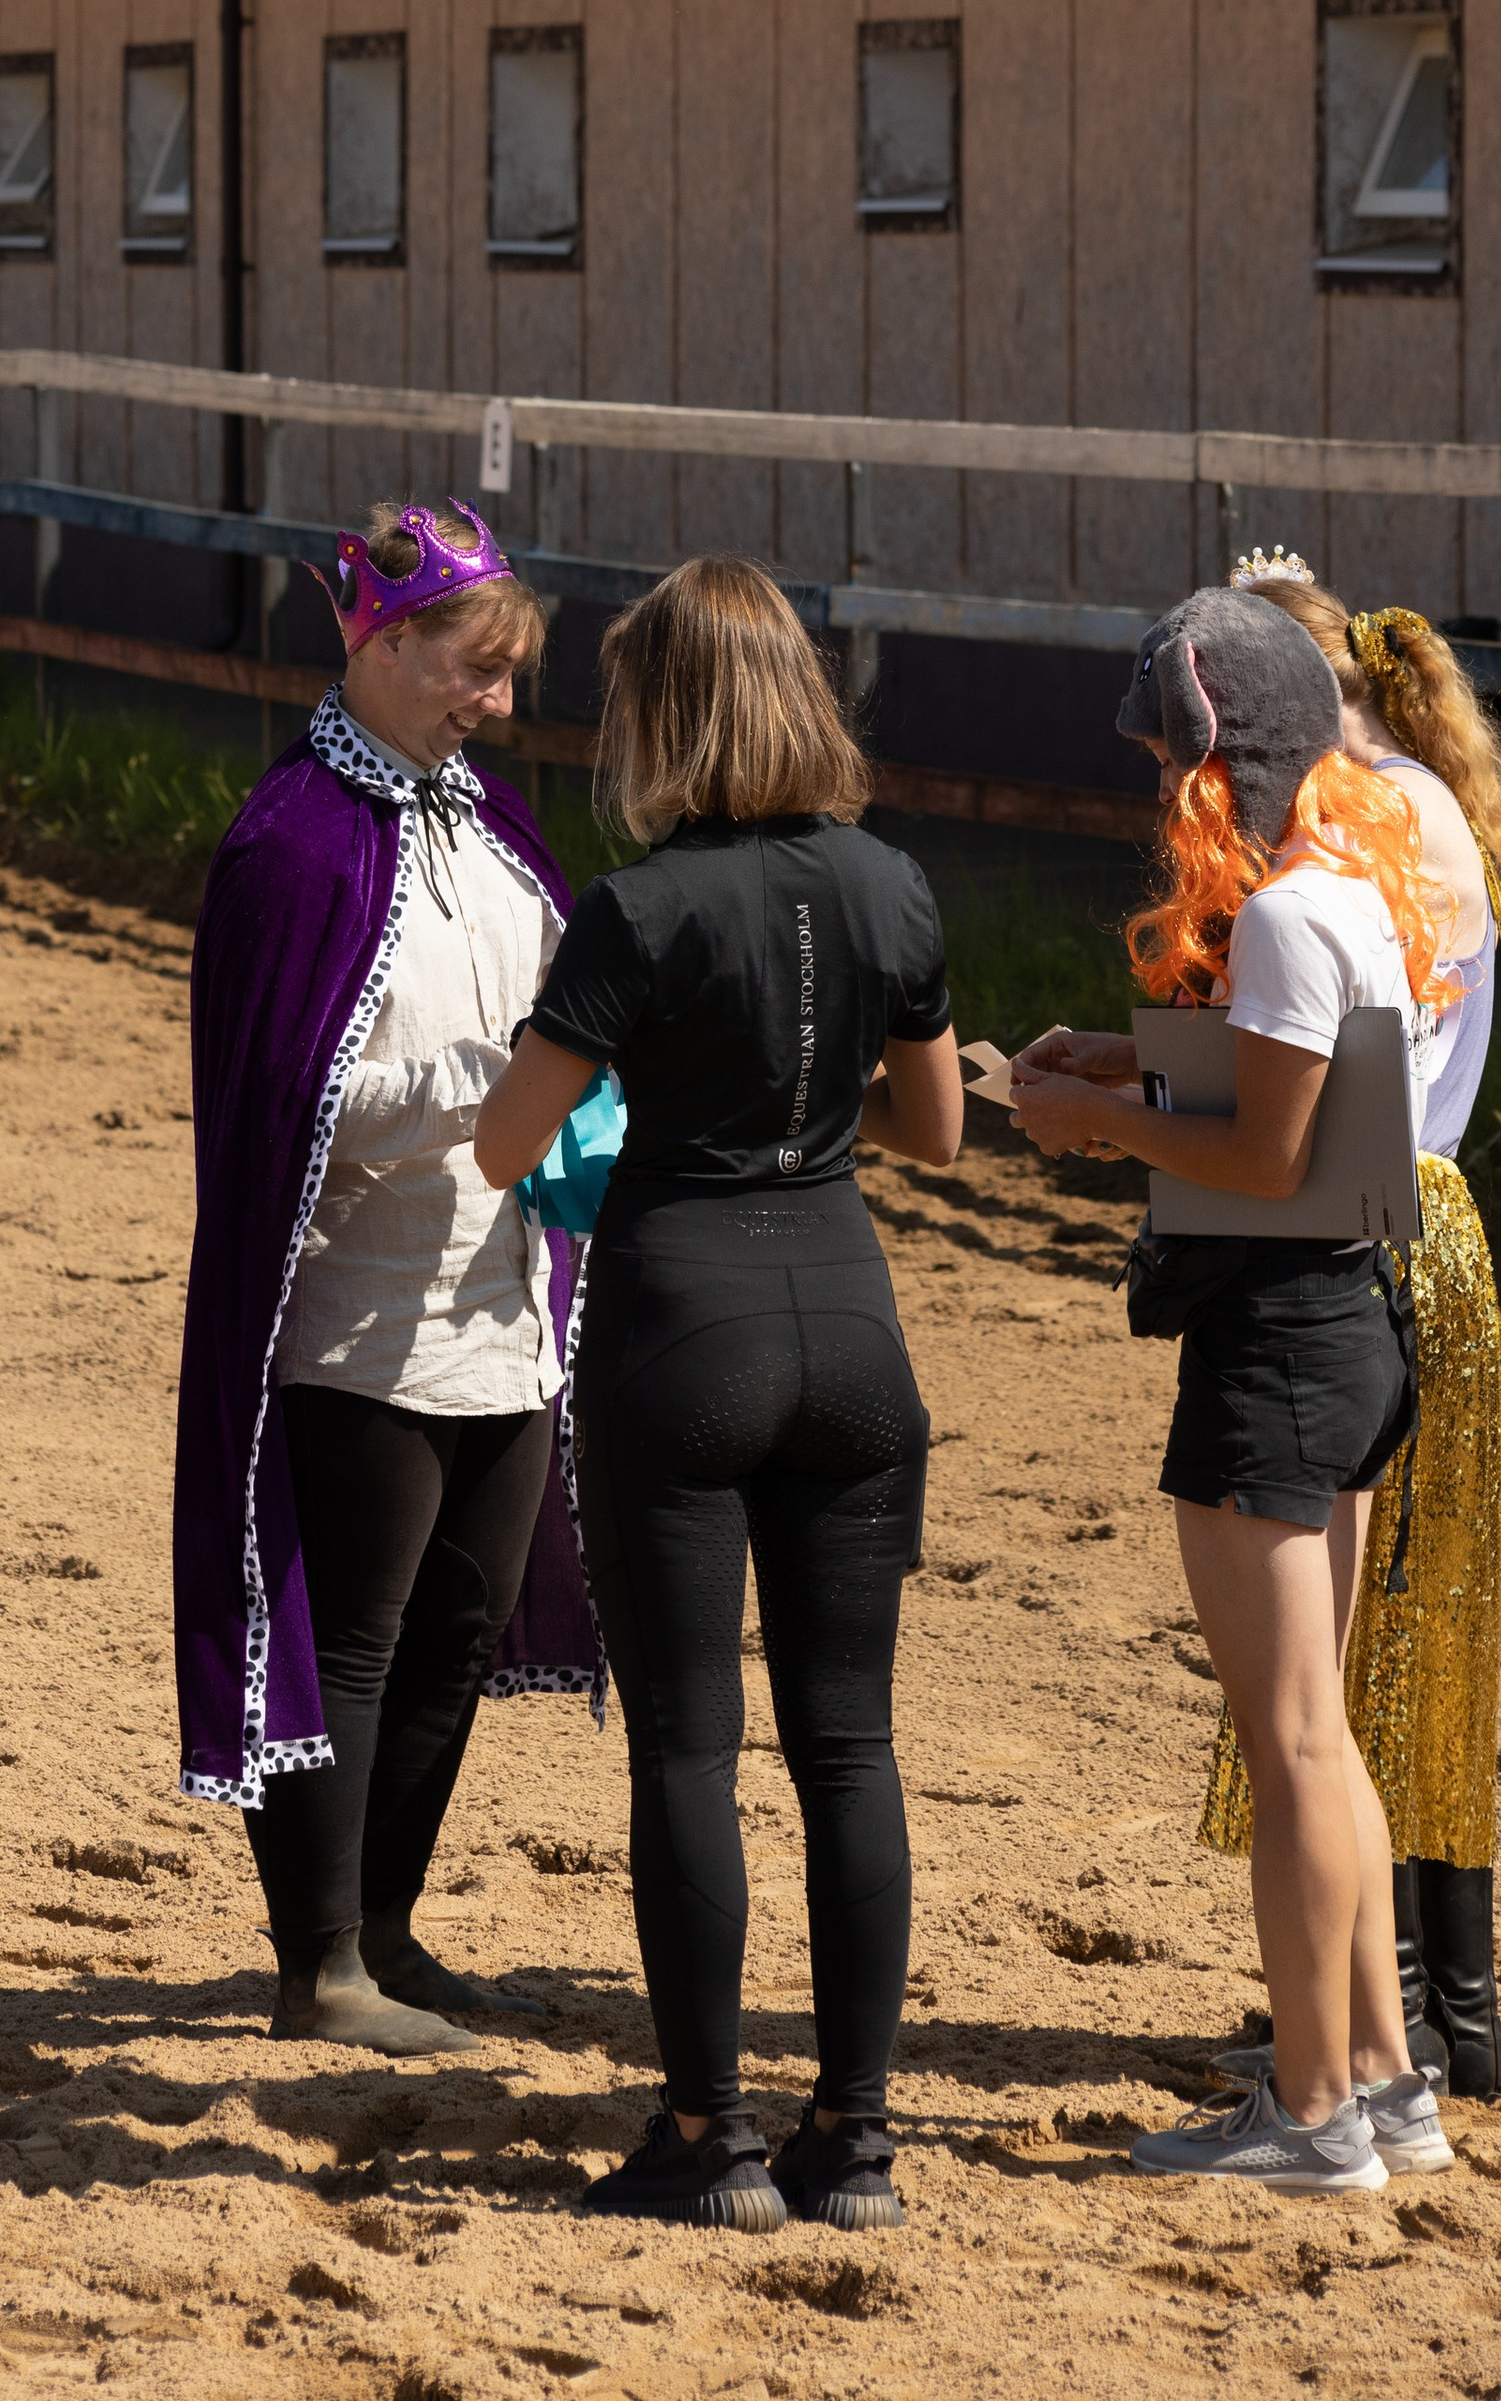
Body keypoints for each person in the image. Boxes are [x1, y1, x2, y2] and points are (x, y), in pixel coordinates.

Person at [476, 559, 963, 2234]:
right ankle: (862, 2134)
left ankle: (708, 2132)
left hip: (683, 1321)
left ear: (664, 716)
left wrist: (646, 1089)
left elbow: (506, 1143)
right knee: (852, 1746)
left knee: (690, 1743)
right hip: (851, 1318)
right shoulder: (895, 885)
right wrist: (803, 1093)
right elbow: (941, 1133)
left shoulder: (638, 908)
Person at [1009, 586, 1455, 2198]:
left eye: (1167, 764)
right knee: (1325, 1738)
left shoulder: (1275, 915)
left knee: (1289, 1748)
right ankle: (1387, 2086)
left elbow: (1267, 1158)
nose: (1155, 795)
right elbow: (1307, 1105)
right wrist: (1126, 1065)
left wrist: (1099, 1129)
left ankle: (1314, 2109)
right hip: (1352, 1325)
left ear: (1228, 760)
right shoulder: (1350, 882)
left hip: (1272, 1346)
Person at [172, 497, 602, 2056]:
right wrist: (490, 1085)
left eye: (505, 673)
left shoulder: (491, 826)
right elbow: (286, 1098)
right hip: (356, 1305)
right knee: (344, 1635)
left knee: (458, 1628)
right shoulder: (290, 845)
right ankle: (320, 1965)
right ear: (387, 643)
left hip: (503, 1292)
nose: (498, 702)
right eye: (474, 670)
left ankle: (393, 1929)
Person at [1199, 550, 1501, 2099]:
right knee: (1407, 1640)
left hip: (1368, 1226)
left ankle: (1383, 2008)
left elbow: (1294, 1093)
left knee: (1358, 1664)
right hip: (1422, 1219)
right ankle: (1428, 2009)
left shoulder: (1350, 826)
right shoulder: (1418, 803)